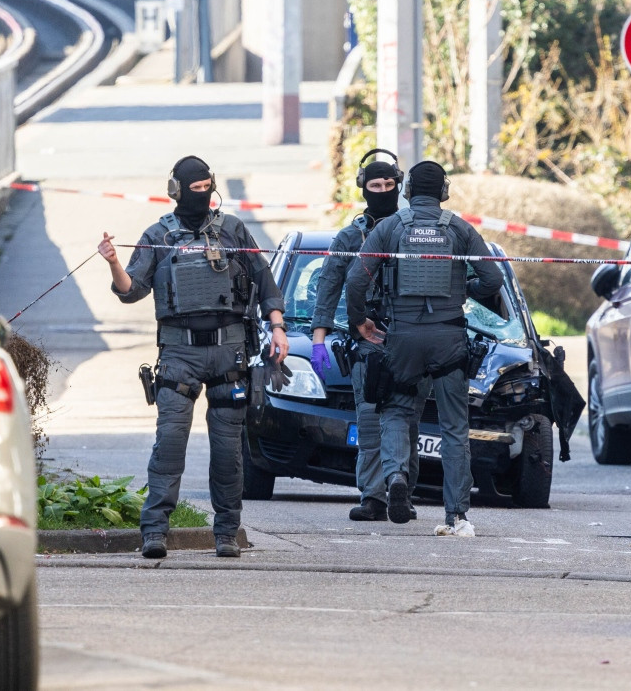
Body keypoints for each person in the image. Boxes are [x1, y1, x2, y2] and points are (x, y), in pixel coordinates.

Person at [97, 155, 289, 559]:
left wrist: (277, 328)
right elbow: (132, 290)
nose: (202, 196)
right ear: (177, 193)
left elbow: (265, 279)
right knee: (168, 445)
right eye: (194, 190)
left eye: (207, 188)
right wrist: (114, 262)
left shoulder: (233, 228)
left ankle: (225, 532)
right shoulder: (158, 236)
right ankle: (154, 533)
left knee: (227, 451)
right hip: (179, 354)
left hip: (228, 354)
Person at [344, 160, 504, 534]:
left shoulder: (389, 228)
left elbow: (355, 279)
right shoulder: (460, 229)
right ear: (444, 191)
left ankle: (397, 476)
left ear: (407, 190)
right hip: (448, 338)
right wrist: (465, 292)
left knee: (396, 411)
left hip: (401, 338)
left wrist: (360, 322)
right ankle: (456, 513)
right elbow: (493, 278)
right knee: (453, 427)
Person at [309, 149, 421, 522]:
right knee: (377, 417)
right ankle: (384, 491)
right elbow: (328, 286)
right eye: (376, 185)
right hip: (370, 337)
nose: (384, 190)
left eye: (390, 184)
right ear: (363, 188)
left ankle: (388, 492)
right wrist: (318, 338)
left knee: (401, 419)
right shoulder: (350, 236)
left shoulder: (416, 231)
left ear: (400, 186)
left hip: (406, 338)